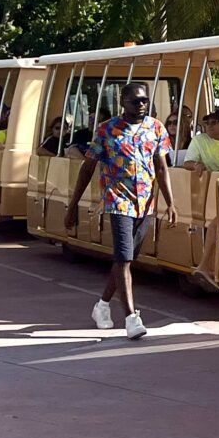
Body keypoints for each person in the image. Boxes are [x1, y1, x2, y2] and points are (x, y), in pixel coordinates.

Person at [65, 81, 175, 339]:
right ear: (122, 102)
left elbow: (161, 167)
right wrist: (72, 206)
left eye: (144, 100)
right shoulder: (107, 130)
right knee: (124, 257)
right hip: (118, 201)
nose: (141, 105)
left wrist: (170, 203)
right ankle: (131, 317)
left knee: (126, 259)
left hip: (145, 203)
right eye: (135, 101)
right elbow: (88, 168)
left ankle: (102, 305)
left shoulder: (155, 128)